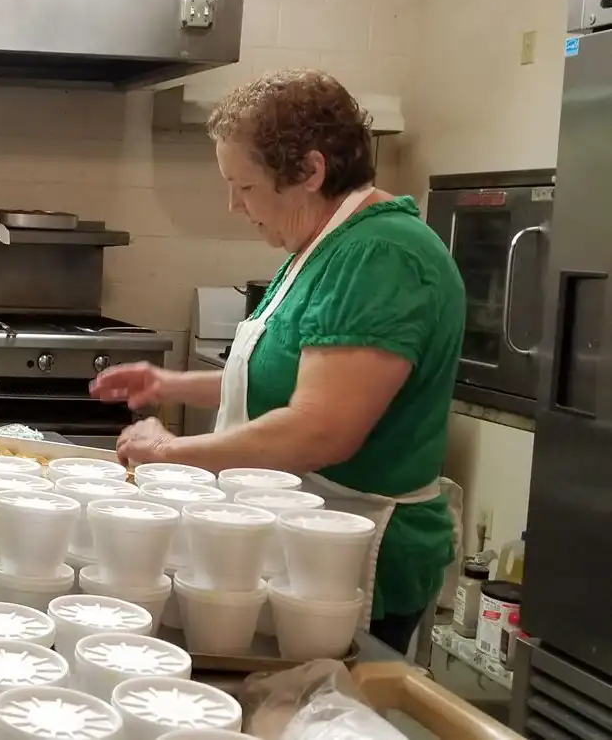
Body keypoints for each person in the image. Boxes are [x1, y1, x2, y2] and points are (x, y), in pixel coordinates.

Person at [90, 69, 466, 654]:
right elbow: (283, 378)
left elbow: (319, 429)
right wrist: (173, 384)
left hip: (349, 565)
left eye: (244, 186)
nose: (235, 205)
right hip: (300, 549)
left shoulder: (381, 255)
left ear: (311, 171)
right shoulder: (322, 247)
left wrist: (171, 454)